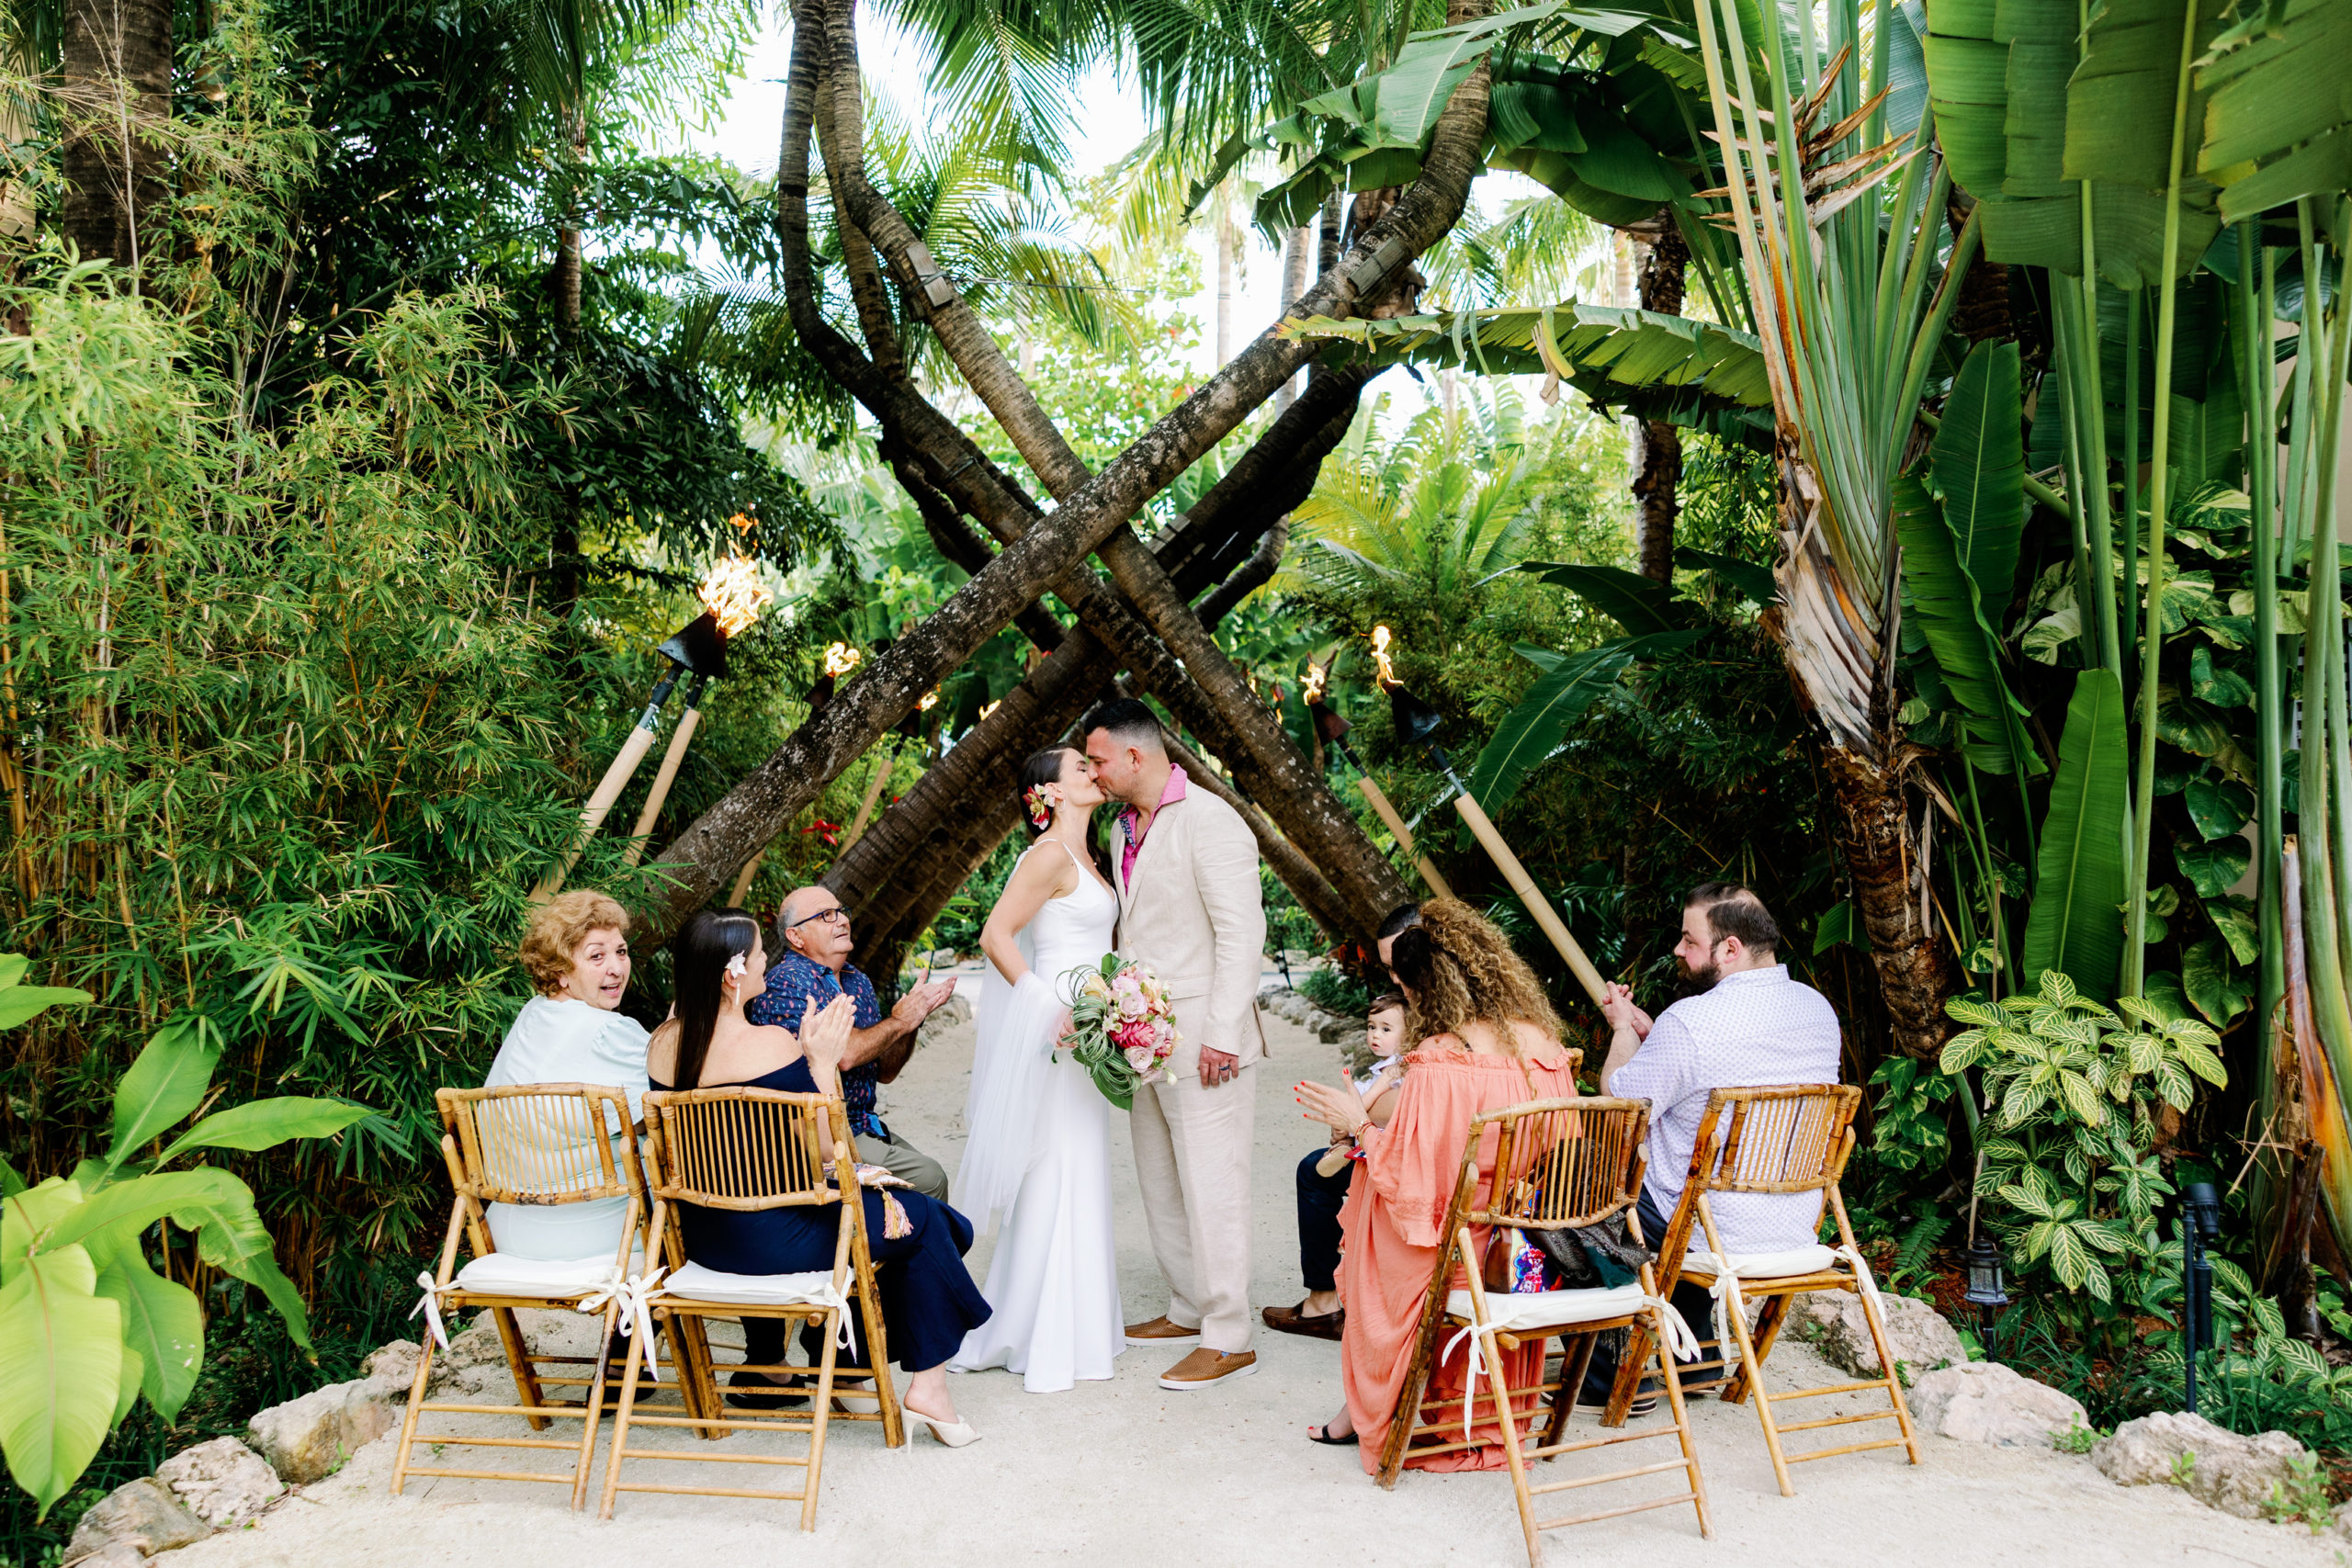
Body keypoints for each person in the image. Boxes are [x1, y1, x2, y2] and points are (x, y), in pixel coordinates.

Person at [648, 908, 993, 1447]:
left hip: (704, 1241)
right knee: (926, 1221)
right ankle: (925, 1384)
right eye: (760, 953)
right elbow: (832, 1152)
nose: (767, 961)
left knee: (922, 1222)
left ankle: (852, 1367)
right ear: (734, 972)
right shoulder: (770, 1046)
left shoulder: (663, 1043)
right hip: (774, 1241)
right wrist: (823, 1063)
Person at [1294, 898, 1580, 1473]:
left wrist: (1358, 1127)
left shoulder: (1439, 1059)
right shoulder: (1547, 1049)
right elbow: (1559, 1152)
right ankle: (1469, 1413)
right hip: (1523, 1242)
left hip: (1458, 1249)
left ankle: (1366, 1405)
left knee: (1371, 1204)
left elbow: (1411, 1180)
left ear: (1429, 986)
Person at [1586, 882, 1842, 1400]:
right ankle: (1696, 1361)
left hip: (1709, 1224)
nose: (1678, 951)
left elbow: (1621, 1103)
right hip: (1790, 1222)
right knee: (1685, 1181)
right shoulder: (1819, 1012)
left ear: (1730, 949)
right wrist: (1656, 1037)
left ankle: (1611, 1380)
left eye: (1689, 940)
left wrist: (1622, 1034)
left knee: (1590, 1191)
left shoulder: (1694, 1021)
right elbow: (1719, 1068)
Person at [1083, 696, 1268, 1391]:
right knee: (1161, 1179)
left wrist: (1221, 1032)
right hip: (1144, 1039)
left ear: (1136, 755)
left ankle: (1228, 1334)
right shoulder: (1123, 827)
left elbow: (1241, 935)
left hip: (1205, 1041)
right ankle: (1188, 1304)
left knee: (1213, 1182)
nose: (1093, 771)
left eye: (1099, 759)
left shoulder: (1212, 821)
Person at [947, 747, 1125, 1392]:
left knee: (1079, 1164)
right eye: (1079, 766)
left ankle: (1074, 1325)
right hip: (1057, 1026)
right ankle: (1037, 1327)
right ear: (1046, 792)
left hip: (1089, 1026)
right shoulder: (1049, 854)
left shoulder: (1090, 857)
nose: (1092, 771)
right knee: (1055, 1164)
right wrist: (1051, 1006)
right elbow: (996, 934)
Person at [745, 885, 958, 1200]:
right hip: (813, 1137)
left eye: (841, 912)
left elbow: (886, 1071)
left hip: (861, 1124)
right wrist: (899, 1021)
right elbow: (844, 1055)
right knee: (930, 1179)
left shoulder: (858, 979)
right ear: (796, 937)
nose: (843, 921)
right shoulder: (787, 982)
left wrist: (912, 1020)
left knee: (931, 1178)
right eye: (826, 916)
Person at [481, 889, 650, 1261]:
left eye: (621, 951)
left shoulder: (532, 1015)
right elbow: (657, 1117)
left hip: (508, 1227)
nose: (616, 968)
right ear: (560, 971)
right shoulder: (608, 1031)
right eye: (597, 956)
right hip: (592, 1232)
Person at [1262, 992, 1408, 1341]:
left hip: (1391, 1156)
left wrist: (1352, 1116)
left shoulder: (1399, 1068)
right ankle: (1325, 1297)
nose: (1375, 1035)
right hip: (1375, 1146)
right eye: (1371, 1027)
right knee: (1318, 1165)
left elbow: (1365, 1107)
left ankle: (1323, 1301)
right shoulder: (1385, 1068)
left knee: (1312, 1173)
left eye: (1386, 1028)